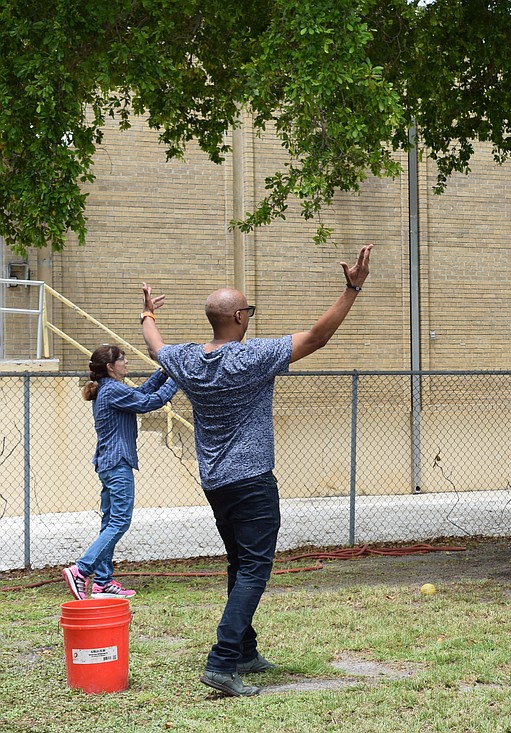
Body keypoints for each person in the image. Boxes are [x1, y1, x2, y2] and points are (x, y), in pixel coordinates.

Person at [140, 244, 372, 698]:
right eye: (249, 309)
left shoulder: (186, 360)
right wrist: (352, 288)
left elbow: (156, 347)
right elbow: (317, 338)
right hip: (251, 482)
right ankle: (223, 661)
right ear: (240, 318)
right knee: (253, 570)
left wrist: (146, 315)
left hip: (216, 482)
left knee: (238, 563)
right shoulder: (250, 358)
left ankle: (244, 650)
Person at [62, 344, 178, 601]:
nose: (126, 362)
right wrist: (178, 378)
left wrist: (164, 372)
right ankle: (80, 570)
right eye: (122, 359)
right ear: (109, 367)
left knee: (109, 522)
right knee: (119, 521)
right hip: (117, 464)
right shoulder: (113, 390)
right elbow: (151, 402)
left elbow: (142, 394)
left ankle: (102, 583)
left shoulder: (111, 389)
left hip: (108, 464)